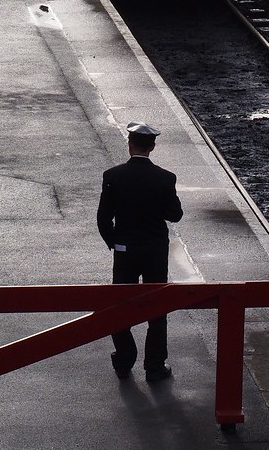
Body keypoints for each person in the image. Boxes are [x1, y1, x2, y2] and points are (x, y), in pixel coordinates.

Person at [97, 121, 183, 383]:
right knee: (157, 307)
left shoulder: (112, 176)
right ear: (153, 147)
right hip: (155, 251)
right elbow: (175, 215)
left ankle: (125, 357)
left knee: (120, 304)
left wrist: (115, 242)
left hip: (125, 251)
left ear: (129, 144)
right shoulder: (165, 178)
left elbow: (103, 218)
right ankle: (155, 366)